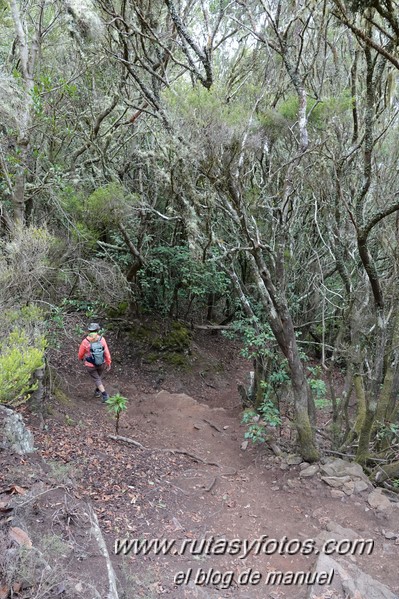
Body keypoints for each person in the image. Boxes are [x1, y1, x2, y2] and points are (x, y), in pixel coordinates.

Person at [78, 323, 111, 403]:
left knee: (97, 379)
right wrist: (108, 362)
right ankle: (97, 391)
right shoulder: (102, 339)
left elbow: (80, 353)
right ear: (97, 330)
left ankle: (105, 395)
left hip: (90, 365)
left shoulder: (85, 341)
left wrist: (81, 358)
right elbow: (106, 352)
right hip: (101, 363)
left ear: (89, 331)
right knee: (98, 378)